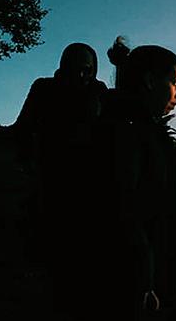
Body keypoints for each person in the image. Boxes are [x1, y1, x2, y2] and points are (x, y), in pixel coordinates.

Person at [90, 36, 176, 321]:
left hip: (151, 260)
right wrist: (144, 274)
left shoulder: (143, 128)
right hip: (131, 269)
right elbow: (123, 206)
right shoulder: (125, 131)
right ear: (150, 80)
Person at [12, 42, 108, 266]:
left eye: (87, 69)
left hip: (91, 177)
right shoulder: (44, 88)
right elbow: (24, 126)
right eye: (75, 68)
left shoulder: (98, 91)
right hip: (51, 171)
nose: (81, 74)